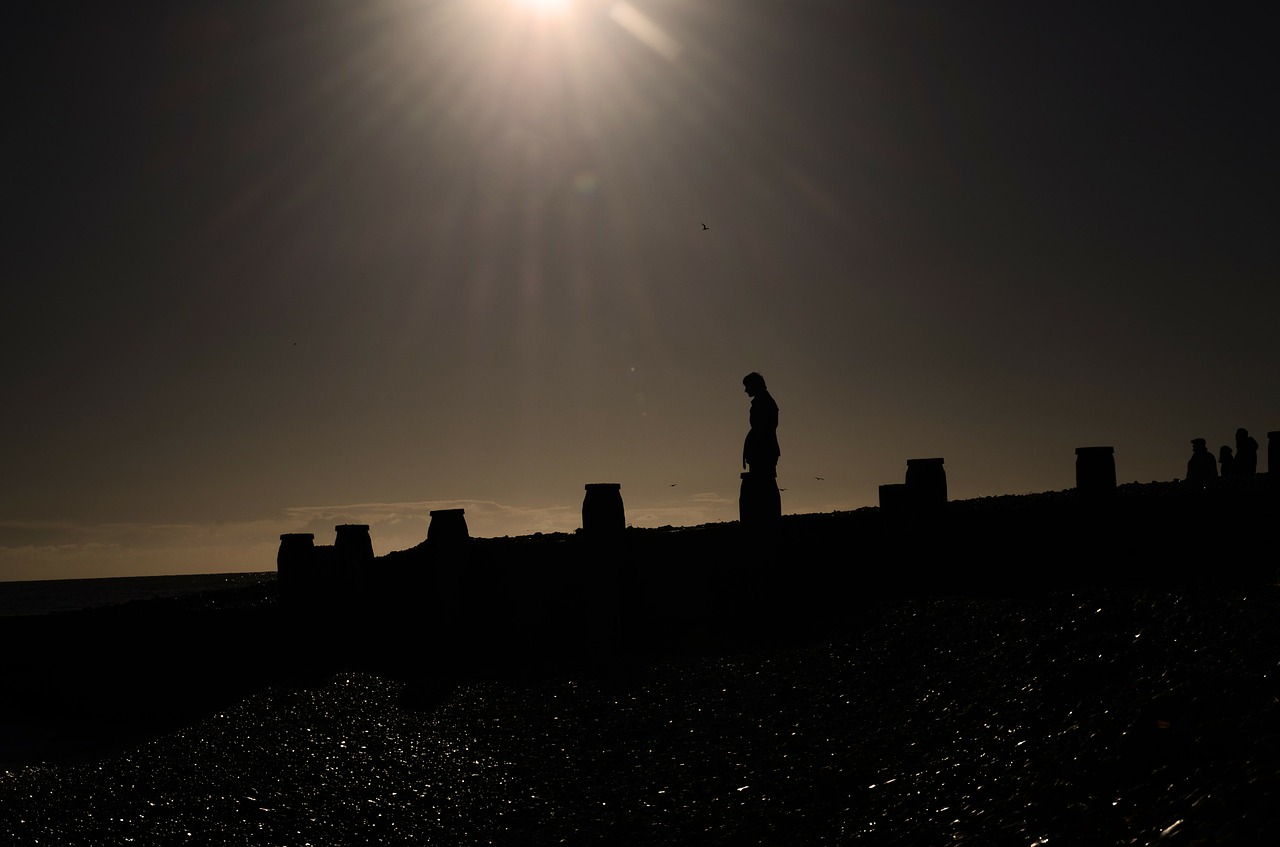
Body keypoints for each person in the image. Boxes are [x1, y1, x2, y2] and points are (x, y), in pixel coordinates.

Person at [742, 372, 780, 477]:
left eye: (747, 386)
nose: (745, 390)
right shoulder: (764, 401)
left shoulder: (763, 402)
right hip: (762, 450)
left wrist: (753, 447)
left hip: (763, 452)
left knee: (763, 485)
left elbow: (762, 430)